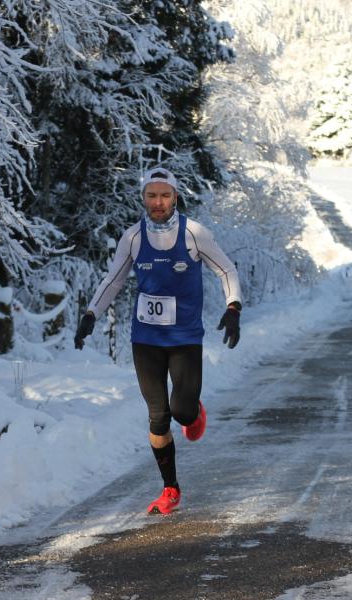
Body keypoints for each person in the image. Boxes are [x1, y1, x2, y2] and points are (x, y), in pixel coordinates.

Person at [73, 167, 243, 515]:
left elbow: (225, 269)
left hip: (183, 338)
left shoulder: (194, 233)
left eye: (165, 195)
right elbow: (114, 280)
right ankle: (170, 489)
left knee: (181, 411)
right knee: (157, 417)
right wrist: (91, 313)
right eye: (152, 195)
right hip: (146, 338)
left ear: (175, 197)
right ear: (143, 198)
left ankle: (194, 412)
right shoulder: (133, 238)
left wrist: (234, 307)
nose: (158, 202)